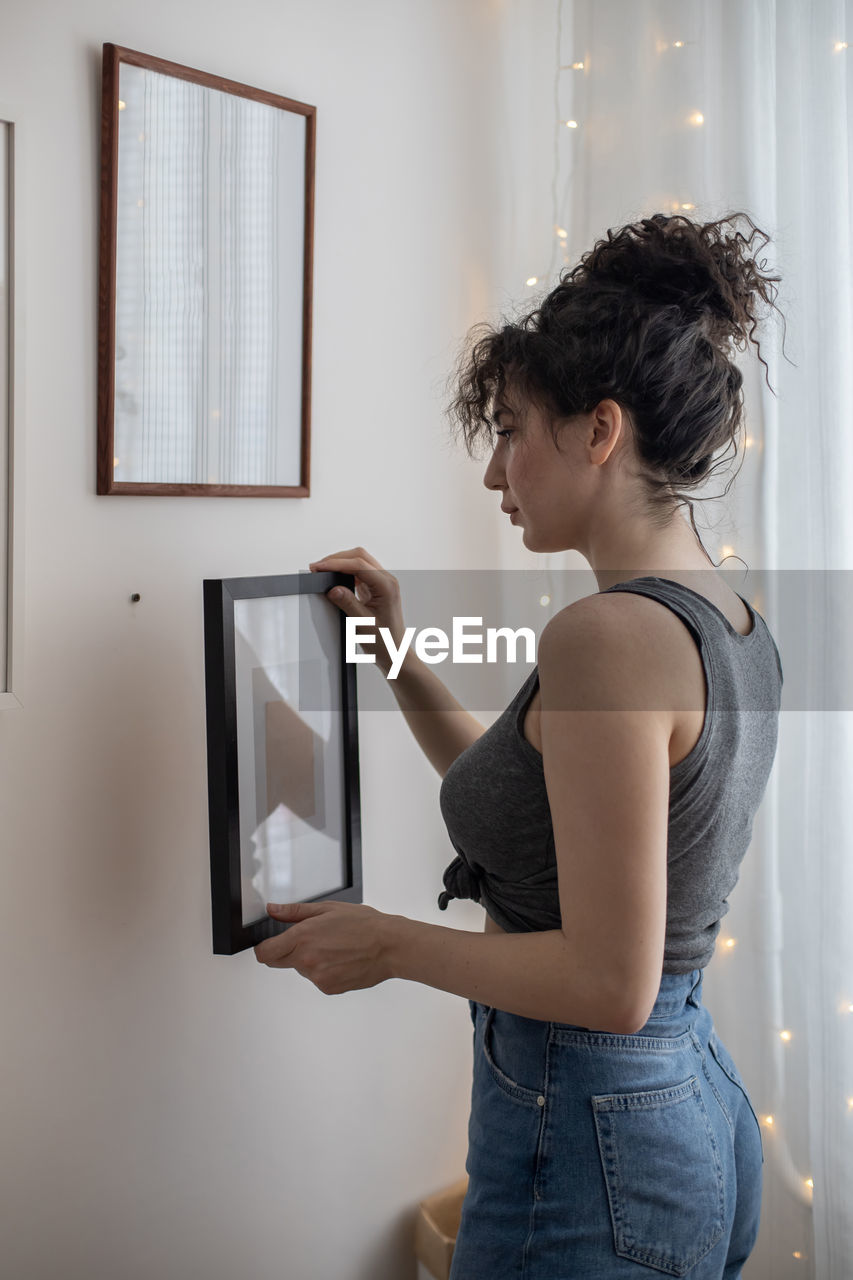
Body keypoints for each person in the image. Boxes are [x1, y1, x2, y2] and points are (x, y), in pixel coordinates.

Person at [254, 211, 785, 1278]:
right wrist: (395, 655)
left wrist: (387, 943)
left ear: (599, 430)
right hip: (679, 1100)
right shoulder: (726, 614)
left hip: (592, 1132)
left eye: (510, 429)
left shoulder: (608, 636)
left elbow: (606, 980)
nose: (495, 472)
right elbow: (547, 822)